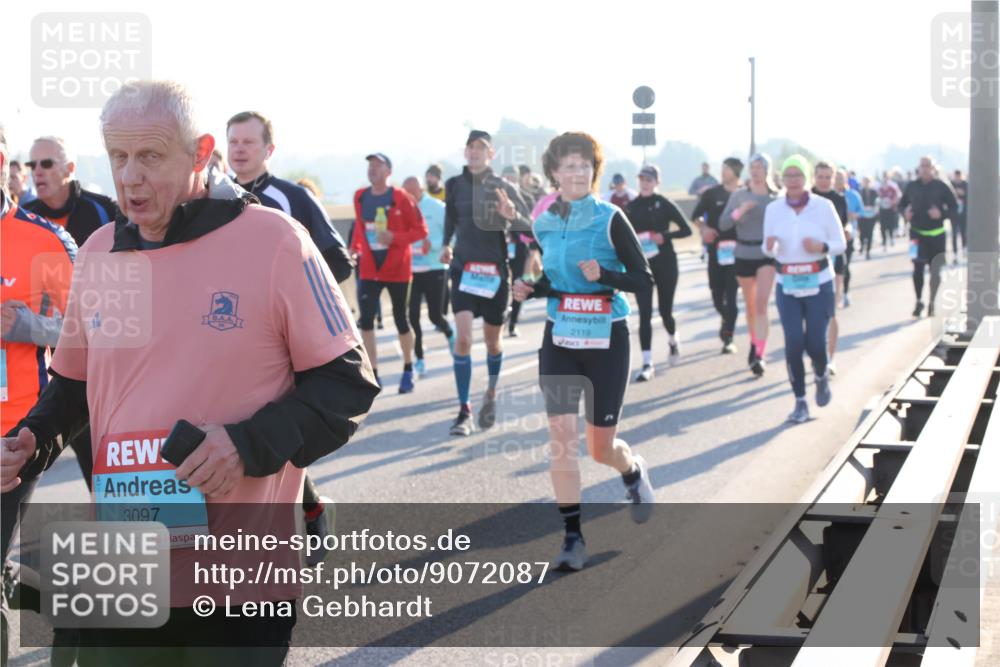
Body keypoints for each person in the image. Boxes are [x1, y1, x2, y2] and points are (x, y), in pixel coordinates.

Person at [1, 80, 380, 666]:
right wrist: (35, 438)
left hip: (238, 579)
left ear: (202, 151)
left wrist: (245, 446)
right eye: (118, 156)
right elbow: (77, 384)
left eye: (150, 156)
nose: (129, 177)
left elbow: (347, 384)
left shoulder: (275, 242)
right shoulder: (101, 252)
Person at [512, 132, 654, 571]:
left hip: (606, 338)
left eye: (585, 165)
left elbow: (643, 279)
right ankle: (572, 538)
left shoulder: (610, 218)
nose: (578, 173)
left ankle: (631, 470)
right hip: (561, 338)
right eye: (569, 165)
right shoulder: (544, 223)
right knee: (561, 440)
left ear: (594, 171)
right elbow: (555, 281)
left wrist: (605, 275)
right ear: (554, 172)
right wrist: (531, 288)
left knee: (599, 448)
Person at [441, 130, 531, 436]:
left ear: (491, 154)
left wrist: (511, 215)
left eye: (481, 148)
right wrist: (446, 244)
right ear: (465, 152)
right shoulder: (454, 184)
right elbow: (450, 219)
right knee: (464, 339)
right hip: (463, 271)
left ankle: (491, 393)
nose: (474, 152)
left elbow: (528, 227)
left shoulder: (503, 186)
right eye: (470, 147)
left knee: (493, 342)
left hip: (494, 275)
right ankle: (464, 410)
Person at [763, 155, 846, 424]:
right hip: (787, 283)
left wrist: (822, 247)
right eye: (788, 176)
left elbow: (841, 243)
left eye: (798, 175)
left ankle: (820, 375)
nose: (793, 181)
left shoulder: (823, 206)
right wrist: (771, 247)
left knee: (816, 344)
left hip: (819, 281)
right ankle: (800, 401)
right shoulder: (774, 209)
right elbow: (767, 248)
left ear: (806, 178)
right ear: (782, 179)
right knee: (794, 343)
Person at [226, 110, 353, 284]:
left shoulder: (295, 197)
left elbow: (340, 264)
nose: (239, 149)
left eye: (248, 142)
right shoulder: (214, 197)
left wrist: (289, 289)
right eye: (233, 142)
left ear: (269, 150)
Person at [350, 153, 427, 392]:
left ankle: (408, 368)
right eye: (370, 165)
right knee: (366, 321)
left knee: (401, 319)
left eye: (378, 165)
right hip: (369, 268)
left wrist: (395, 237)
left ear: (389, 172)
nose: (372, 169)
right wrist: (354, 248)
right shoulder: (360, 196)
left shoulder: (402, 198)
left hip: (397, 268)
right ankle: (373, 373)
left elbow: (420, 231)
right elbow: (360, 228)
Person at [626, 164, 692, 381]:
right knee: (644, 314)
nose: (644, 183)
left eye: (649, 180)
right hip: (642, 267)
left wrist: (665, 236)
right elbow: (622, 236)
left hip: (665, 263)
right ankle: (647, 363)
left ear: (656, 182)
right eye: (642, 179)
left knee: (665, 312)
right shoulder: (631, 207)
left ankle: (673, 339)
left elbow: (686, 230)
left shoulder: (664, 204)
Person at [719, 152, 777, 377]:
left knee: (761, 305)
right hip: (743, 253)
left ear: (767, 170)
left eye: (759, 167)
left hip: (766, 255)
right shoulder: (739, 195)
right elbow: (723, 224)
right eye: (752, 168)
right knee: (751, 307)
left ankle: (759, 353)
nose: (755, 171)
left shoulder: (775, 198)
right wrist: (740, 211)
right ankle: (754, 342)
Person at [402, 176, 454, 377]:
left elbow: (452, 234)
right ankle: (420, 359)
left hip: (435, 268)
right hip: (413, 270)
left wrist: (435, 245)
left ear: (420, 189)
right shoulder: (402, 208)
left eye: (412, 192)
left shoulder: (437, 207)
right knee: (412, 316)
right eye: (405, 192)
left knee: (435, 316)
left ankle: (450, 333)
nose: (409, 196)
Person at [23, 136, 117, 247]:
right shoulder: (23, 215)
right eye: (32, 165)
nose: (37, 172)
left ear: (70, 168)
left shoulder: (106, 210)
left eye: (47, 164)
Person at [692, 157, 743, 354]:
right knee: (716, 295)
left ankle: (728, 337)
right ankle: (726, 317)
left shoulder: (744, 194)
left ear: (736, 172)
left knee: (731, 296)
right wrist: (704, 229)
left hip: (738, 253)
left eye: (727, 168)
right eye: (722, 168)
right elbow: (695, 216)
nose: (723, 171)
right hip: (716, 251)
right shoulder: (712, 194)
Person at [899, 156, 959, 317]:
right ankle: (919, 301)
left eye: (928, 166)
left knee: (935, 272)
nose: (925, 169)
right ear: (918, 168)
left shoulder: (942, 186)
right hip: (916, 234)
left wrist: (941, 214)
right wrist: (905, 213)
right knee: (917, 268)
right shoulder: (911, 186)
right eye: (922, 166)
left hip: (937, 235)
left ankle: (932, 302)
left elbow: (955, 207)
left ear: (933, 168)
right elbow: (901, 204)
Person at [811, 162, 849, 374]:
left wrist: (848, 230)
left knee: (831, 310)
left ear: (834, 178)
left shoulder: (839, 199)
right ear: (814, 177)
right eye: (821, 176)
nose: (824, 181)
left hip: (835, 259)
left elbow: (845, 224)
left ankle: (830, 359)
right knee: (811, 313)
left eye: (828, 177)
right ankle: (815, 353)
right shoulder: (806, 198)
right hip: (810, 261)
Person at [835, 168, 862, 306]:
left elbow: (861, 211)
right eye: (836, 178)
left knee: (845, 265)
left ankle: (845, 292)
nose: (838, 180)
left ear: (846, 179)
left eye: (841, 178)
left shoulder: (852, 195)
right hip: (832, 237)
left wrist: (854, 215)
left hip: (848, 235)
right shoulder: (829, 196)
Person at [878, 171, 902, 250]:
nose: (885, 178)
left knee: (891, 225)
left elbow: (898, 195)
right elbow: (877, 197)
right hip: (882, 209)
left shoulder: (893, 185)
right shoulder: (880, 186)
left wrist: (893, 202)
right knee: (883, 226)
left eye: (886, 176)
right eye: (884, 176)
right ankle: (884, 241)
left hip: (891, 208)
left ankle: (891, 238)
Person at [858, 176, 879, 260]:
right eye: (865, 182)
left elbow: (877, 202)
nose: (866, 183)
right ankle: (862, 244)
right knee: (862, 233)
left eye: (868, 182)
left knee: (870, 233)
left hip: (871, 216)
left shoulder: (874, 192)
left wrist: (875, 209)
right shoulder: (860, 192)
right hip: (862, 216)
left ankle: (868, 251)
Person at [950, 169, 968, 264]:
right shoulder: (951, 184)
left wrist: (963, 194)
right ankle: (955, 254)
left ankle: (964, 248)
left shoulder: (965, 184)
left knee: (963, 232)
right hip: (954, 214)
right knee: (954, 234)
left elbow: (969, 196)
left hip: (963, 213)